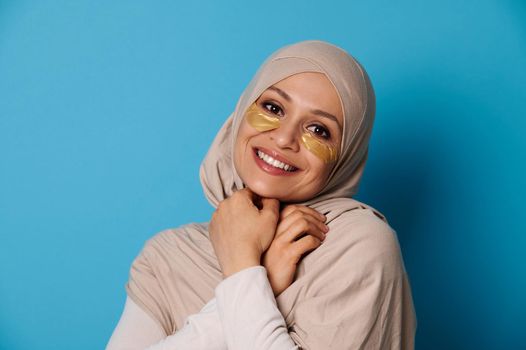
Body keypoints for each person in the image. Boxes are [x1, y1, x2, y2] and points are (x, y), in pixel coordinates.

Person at [106, 40, 417, 350]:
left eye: (319, 130)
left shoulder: (357, 247)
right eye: (273, 108)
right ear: (242, 110)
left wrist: (241, 266)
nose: (284, 138)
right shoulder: (168, 257)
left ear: (346, 156)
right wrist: (260, 278)